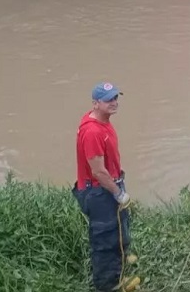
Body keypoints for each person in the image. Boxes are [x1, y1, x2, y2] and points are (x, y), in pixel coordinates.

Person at [72, 82, 133, 292]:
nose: (114, 103)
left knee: (121, 226)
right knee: (105, 240)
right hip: (99, 192)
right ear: (95, 103)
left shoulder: (104, 121)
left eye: (116, 98)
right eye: (108, 100)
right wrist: (118, 193)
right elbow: (98, 171)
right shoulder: (92, 132)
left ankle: (122, 262)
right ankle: (109, 285)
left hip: (111, 184)